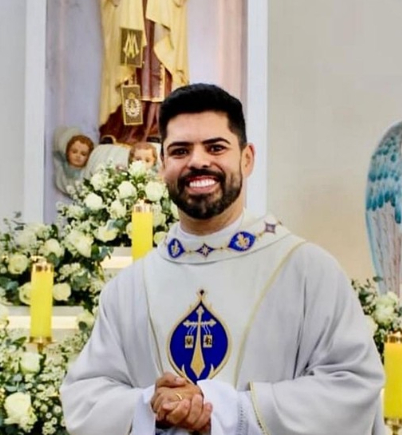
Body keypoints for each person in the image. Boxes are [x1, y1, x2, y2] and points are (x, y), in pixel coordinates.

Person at [61, 83, 384, 435]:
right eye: (180, 150)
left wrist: (229, 411)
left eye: (215, 147)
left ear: (247, 159)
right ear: (162, 165)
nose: (198, 161)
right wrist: (150, 405)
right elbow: (86, 397)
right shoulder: (129, 288)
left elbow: (352, 385)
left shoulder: (308, 271)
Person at [99, 0, 189, 145]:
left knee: (159, 66)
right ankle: (127, 128)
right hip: (130, 11)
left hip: (159, 11)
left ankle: (156, 127)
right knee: (129, 67)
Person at [52, 127, 95, 195]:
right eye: (74, 151)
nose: (78, 156)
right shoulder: (61, 170)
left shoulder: (86, 174)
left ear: (88, 157)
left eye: (83, 154)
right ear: (67, 152)